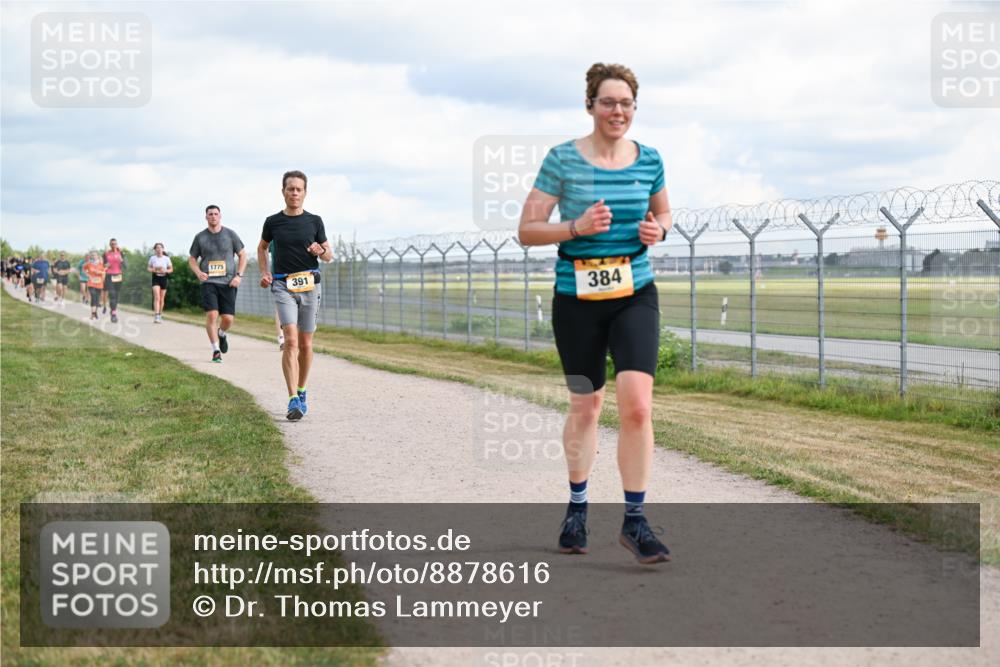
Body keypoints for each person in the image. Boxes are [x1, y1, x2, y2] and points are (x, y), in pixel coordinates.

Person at [517, 63, 673, 564]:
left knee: (638, 406)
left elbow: (664, 212)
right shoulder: (562, 159)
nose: (618, 111)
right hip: (577, 296)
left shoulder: (649, 160)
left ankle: (635, 521)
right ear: (590, 106)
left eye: (626, 103)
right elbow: (527, 229)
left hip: (634, 290)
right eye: (608, 102)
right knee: (586, 407)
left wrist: (660, 231)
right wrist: (576, 227)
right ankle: (578, 507)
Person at [257, 170, 331, 420]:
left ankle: (301, 391)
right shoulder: (272, 222)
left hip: (310, 285)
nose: (295, 193)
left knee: (306, 343)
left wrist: (320, 250)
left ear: (305, 193)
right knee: (290, 341)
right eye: (291, 189)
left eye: (299, 189)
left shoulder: (315, 221)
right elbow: (262, 247)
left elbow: (328, 255)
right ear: (283, 192)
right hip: (283, 285)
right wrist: (265, 272)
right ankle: (292, 400)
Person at [189, 205, 246, 363]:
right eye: (210, 214)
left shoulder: (230, 234)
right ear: (206, 217)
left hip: (228, 282)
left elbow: (242, 255)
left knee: (228, 319)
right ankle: (215, 351)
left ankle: (221, 333)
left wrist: (239, 276)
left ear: (220, 216)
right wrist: (198, 273)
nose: (213, 216)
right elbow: (192, 258)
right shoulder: (200, 237)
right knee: (212, 314)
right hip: (209, 282)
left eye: (216, 214)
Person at [148, 243, 173, 323]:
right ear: (155, 250)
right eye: (157, 248)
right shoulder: (152, 258)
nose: (158, 249)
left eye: (160, 248)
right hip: (155, 278)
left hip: (164, 278)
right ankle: (156, 315)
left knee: (162, 299)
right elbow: (148, 268)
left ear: (163, 249)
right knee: (157, 297)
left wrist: (165, 270)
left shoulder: (166, 259)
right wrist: (153, 270)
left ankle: (160, 314)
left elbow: (171, 269)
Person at [103, 239, 126, 323]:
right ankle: (113, 314)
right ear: (110, 245)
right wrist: (106, 265)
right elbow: (104, 265)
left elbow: (126, 266)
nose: (113, 245)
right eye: (112, 244)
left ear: (117, 244)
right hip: (109, 275)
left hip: (118, 276)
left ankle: (113, 309)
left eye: (115, 244)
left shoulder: (121, 253)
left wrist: (121, 259)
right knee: (112, 294)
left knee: (116, 295)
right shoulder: (106, 254)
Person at [83, 252, 106, 320]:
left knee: (97, 299)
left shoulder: (101, 264)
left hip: (99, 283)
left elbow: (104, 272)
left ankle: (95, 313)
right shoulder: (89, 264)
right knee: (93, 296)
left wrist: (100, 272)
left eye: (95, 255)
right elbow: (84, 269)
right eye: (92, 255)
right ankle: (93, 314)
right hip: (91, 283)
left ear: (98, 256)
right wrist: (88, 275)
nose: (93, 256)